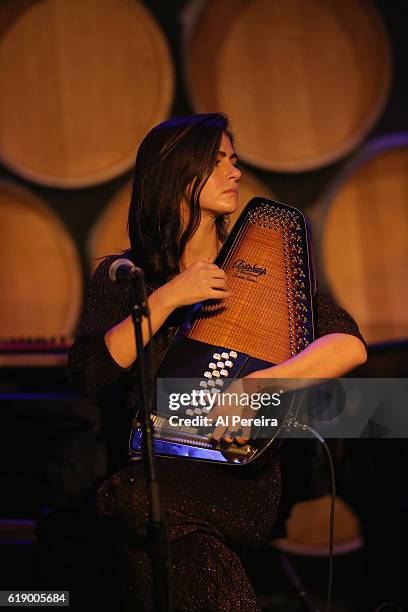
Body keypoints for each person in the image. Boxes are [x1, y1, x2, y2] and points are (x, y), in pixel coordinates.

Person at [68, 113, 367, 611]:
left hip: (236, 478)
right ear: (175, 172)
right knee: (163, 544)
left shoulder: (264, 266)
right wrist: (166, 298)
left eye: (234, 160)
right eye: (218, 161)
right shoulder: (126, 277)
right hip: (155, 472)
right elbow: (91, 375)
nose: (235, 172)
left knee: (134, 504)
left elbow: (349, 344)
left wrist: (259, 386)